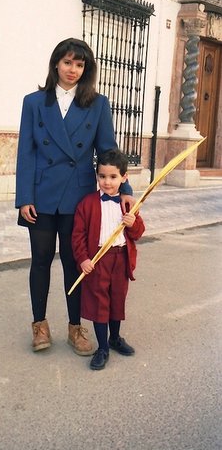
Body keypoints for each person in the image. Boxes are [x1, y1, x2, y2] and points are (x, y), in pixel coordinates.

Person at [15, 38, 134, 355]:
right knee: (40, 261)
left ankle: (75, 328)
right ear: (56, 63)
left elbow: (108, 150)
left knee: (75, 263)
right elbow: (26, 153)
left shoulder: (98, 104)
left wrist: (124, 189)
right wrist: (24, 196)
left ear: (86, 69)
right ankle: (39, 326)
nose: (72, 69)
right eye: (67, 62)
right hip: (40, 196)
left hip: (79, 198)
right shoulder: (33, 102)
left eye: (79, 64)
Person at [71, 149, 145, 370]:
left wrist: (133, 223)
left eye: (113, 177)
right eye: (102, 176)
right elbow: (78, 236)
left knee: (117, 300)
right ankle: (102, 347)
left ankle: (115, 338)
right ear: (97, 176)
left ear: (124, 178)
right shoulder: (87, 204)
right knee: (99, 303)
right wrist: (83, 259)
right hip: (98, 259)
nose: (107, 182)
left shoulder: (129, 204)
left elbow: (138, 233)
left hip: (120, 259)